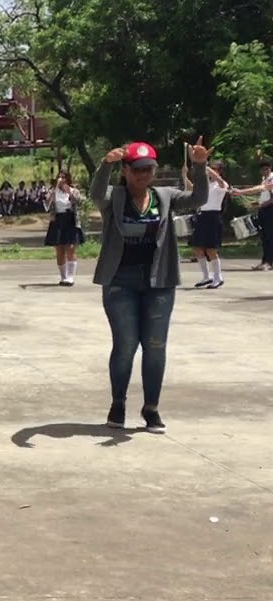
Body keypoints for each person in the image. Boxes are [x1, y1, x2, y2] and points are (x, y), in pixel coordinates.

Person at [90, 139, 209, 434]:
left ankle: (151, 408)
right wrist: (105, 165)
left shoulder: (165, 196)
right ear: (126, 170)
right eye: (138, 169)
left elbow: (199, 199)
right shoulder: (114, 198)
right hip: (121, 282)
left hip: (159, 281)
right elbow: (95, 193)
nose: (144, 175)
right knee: (126, 344)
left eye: (149, 169)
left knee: (155, 346)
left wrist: (200, 165)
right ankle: (118, 404)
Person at [186, 161, 229, 289]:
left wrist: (205, 166)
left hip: (213, 216)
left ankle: (218, 277)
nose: (210, 172)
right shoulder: (206, 185)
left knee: (211, 249)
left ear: (219, 171)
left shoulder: (221, 184)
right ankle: (206, 276)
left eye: (215, 169)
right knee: (197, 247)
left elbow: (220, 181)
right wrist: (184, 175)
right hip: (202, 215)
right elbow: (191, 188)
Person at [230, 158, 273, 270]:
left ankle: (269, 262)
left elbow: (267, 195)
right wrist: (258, 203)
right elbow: (264, 194)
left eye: (267, 169)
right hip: (264, 209)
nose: (265, 171)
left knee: (269, 236)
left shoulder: (271, 179)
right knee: (264, 237)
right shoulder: (264, 180)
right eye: (263, 169)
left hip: (270, 210)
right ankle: (265, 261)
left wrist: (240, 192)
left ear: (270, 168)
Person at [43, 172, 84, 286]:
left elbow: (80, 202)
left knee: (70, 247)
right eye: (59, 177)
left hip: (70, 219)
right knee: (59, 249)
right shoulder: (53, 191)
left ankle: (70, 277)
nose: (61, 179)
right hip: (57, 220)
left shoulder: (73, 190)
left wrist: (70, 193)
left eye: (64, 177)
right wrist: (52, 194)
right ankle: (63, 276)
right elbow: (46, 205)